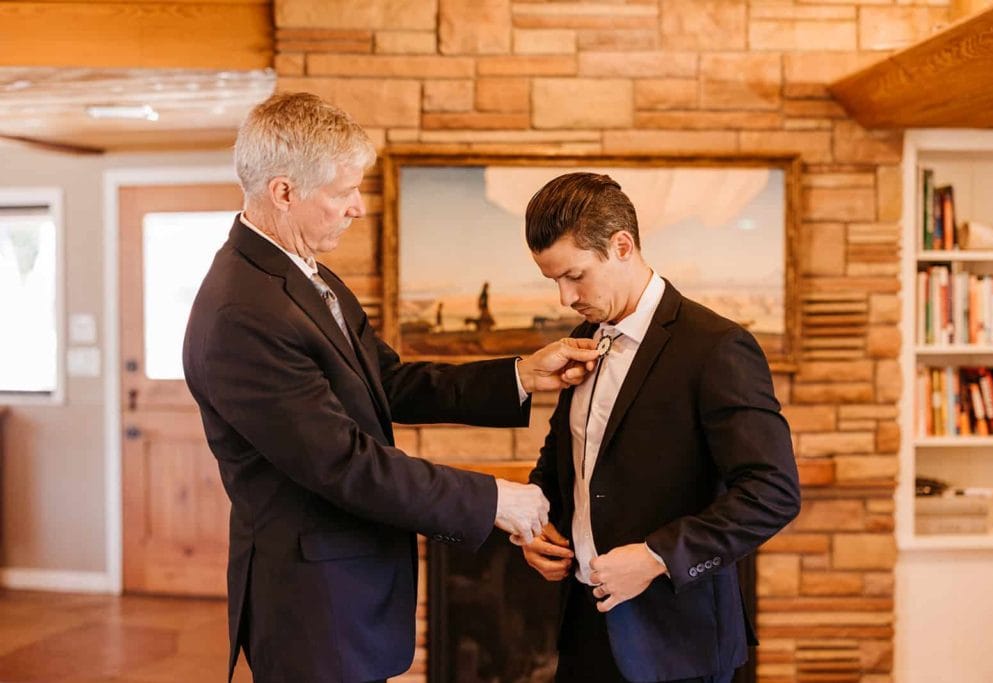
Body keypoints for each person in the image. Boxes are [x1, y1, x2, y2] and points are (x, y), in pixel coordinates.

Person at [182, 93, 599, 683]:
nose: (358, 208)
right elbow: (343, 464)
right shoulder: (242, 313)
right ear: (283, 192)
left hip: (343, 592)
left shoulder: (305, 274)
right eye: (343, 192)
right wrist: (496, 501)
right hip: (312, 606)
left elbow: (387, 382)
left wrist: (521, 374)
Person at [519, 172, 801, 683]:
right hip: (585, 627)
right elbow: (570, 461)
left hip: (679, 642)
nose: (564, 298)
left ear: (622, 245)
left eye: (575, 275)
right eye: (553, 280)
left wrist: (655, 557)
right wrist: (538, 528)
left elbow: (773, 493)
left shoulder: (716, 347)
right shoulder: (583, 339)